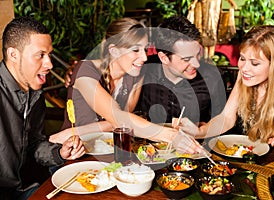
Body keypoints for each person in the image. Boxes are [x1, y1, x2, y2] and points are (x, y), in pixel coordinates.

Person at [50, 17, 203, 155]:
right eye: (135, 50)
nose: (143, 57)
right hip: (73, 153)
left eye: (145, 49)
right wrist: (172, 136)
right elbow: (120, 119)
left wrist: (78, 131)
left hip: (110, 153)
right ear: (114, 51)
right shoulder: (85, 71)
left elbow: (122, 124)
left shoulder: (135, 75)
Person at [177, 25, 274, 153]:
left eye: (254, 63)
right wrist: (198, 131)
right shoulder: (245, 78)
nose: (244, 68)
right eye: (242, 58)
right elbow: (227, 118)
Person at [0, 16, 85, 199]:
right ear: (13, 54)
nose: (50, 64)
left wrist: (60, 152)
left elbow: (35, 144)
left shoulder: (35, 92)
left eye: (49, 55)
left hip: (30, 186)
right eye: (40, 55)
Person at [135, 16, 226, 124]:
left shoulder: (213, 77)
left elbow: (222, 124)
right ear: (164, 58)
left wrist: (206, 129)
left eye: (198, 54)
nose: (196, 64)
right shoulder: (143, 72)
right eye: (186, 59)